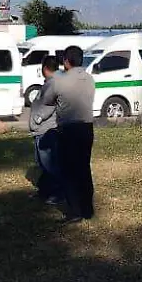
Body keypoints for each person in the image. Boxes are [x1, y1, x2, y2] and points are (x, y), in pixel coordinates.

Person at [36, 45, 96, 223]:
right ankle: (87, 209)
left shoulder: (60, 81)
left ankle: (75, 210)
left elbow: (47, 99)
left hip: (68, 129)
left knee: (68, 171)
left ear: (66, 61)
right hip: (87, 128)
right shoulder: (89, 78)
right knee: (84, 169)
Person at [29, 55, 62, 205]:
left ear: (45, 68)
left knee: (49, 164)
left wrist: (38, 118)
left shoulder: (54, 84)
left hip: (47, 129)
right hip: (40, 130)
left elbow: (49, 105)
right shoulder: (49, 83)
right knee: (42, 164)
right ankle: (44, 191)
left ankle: (57, 193)